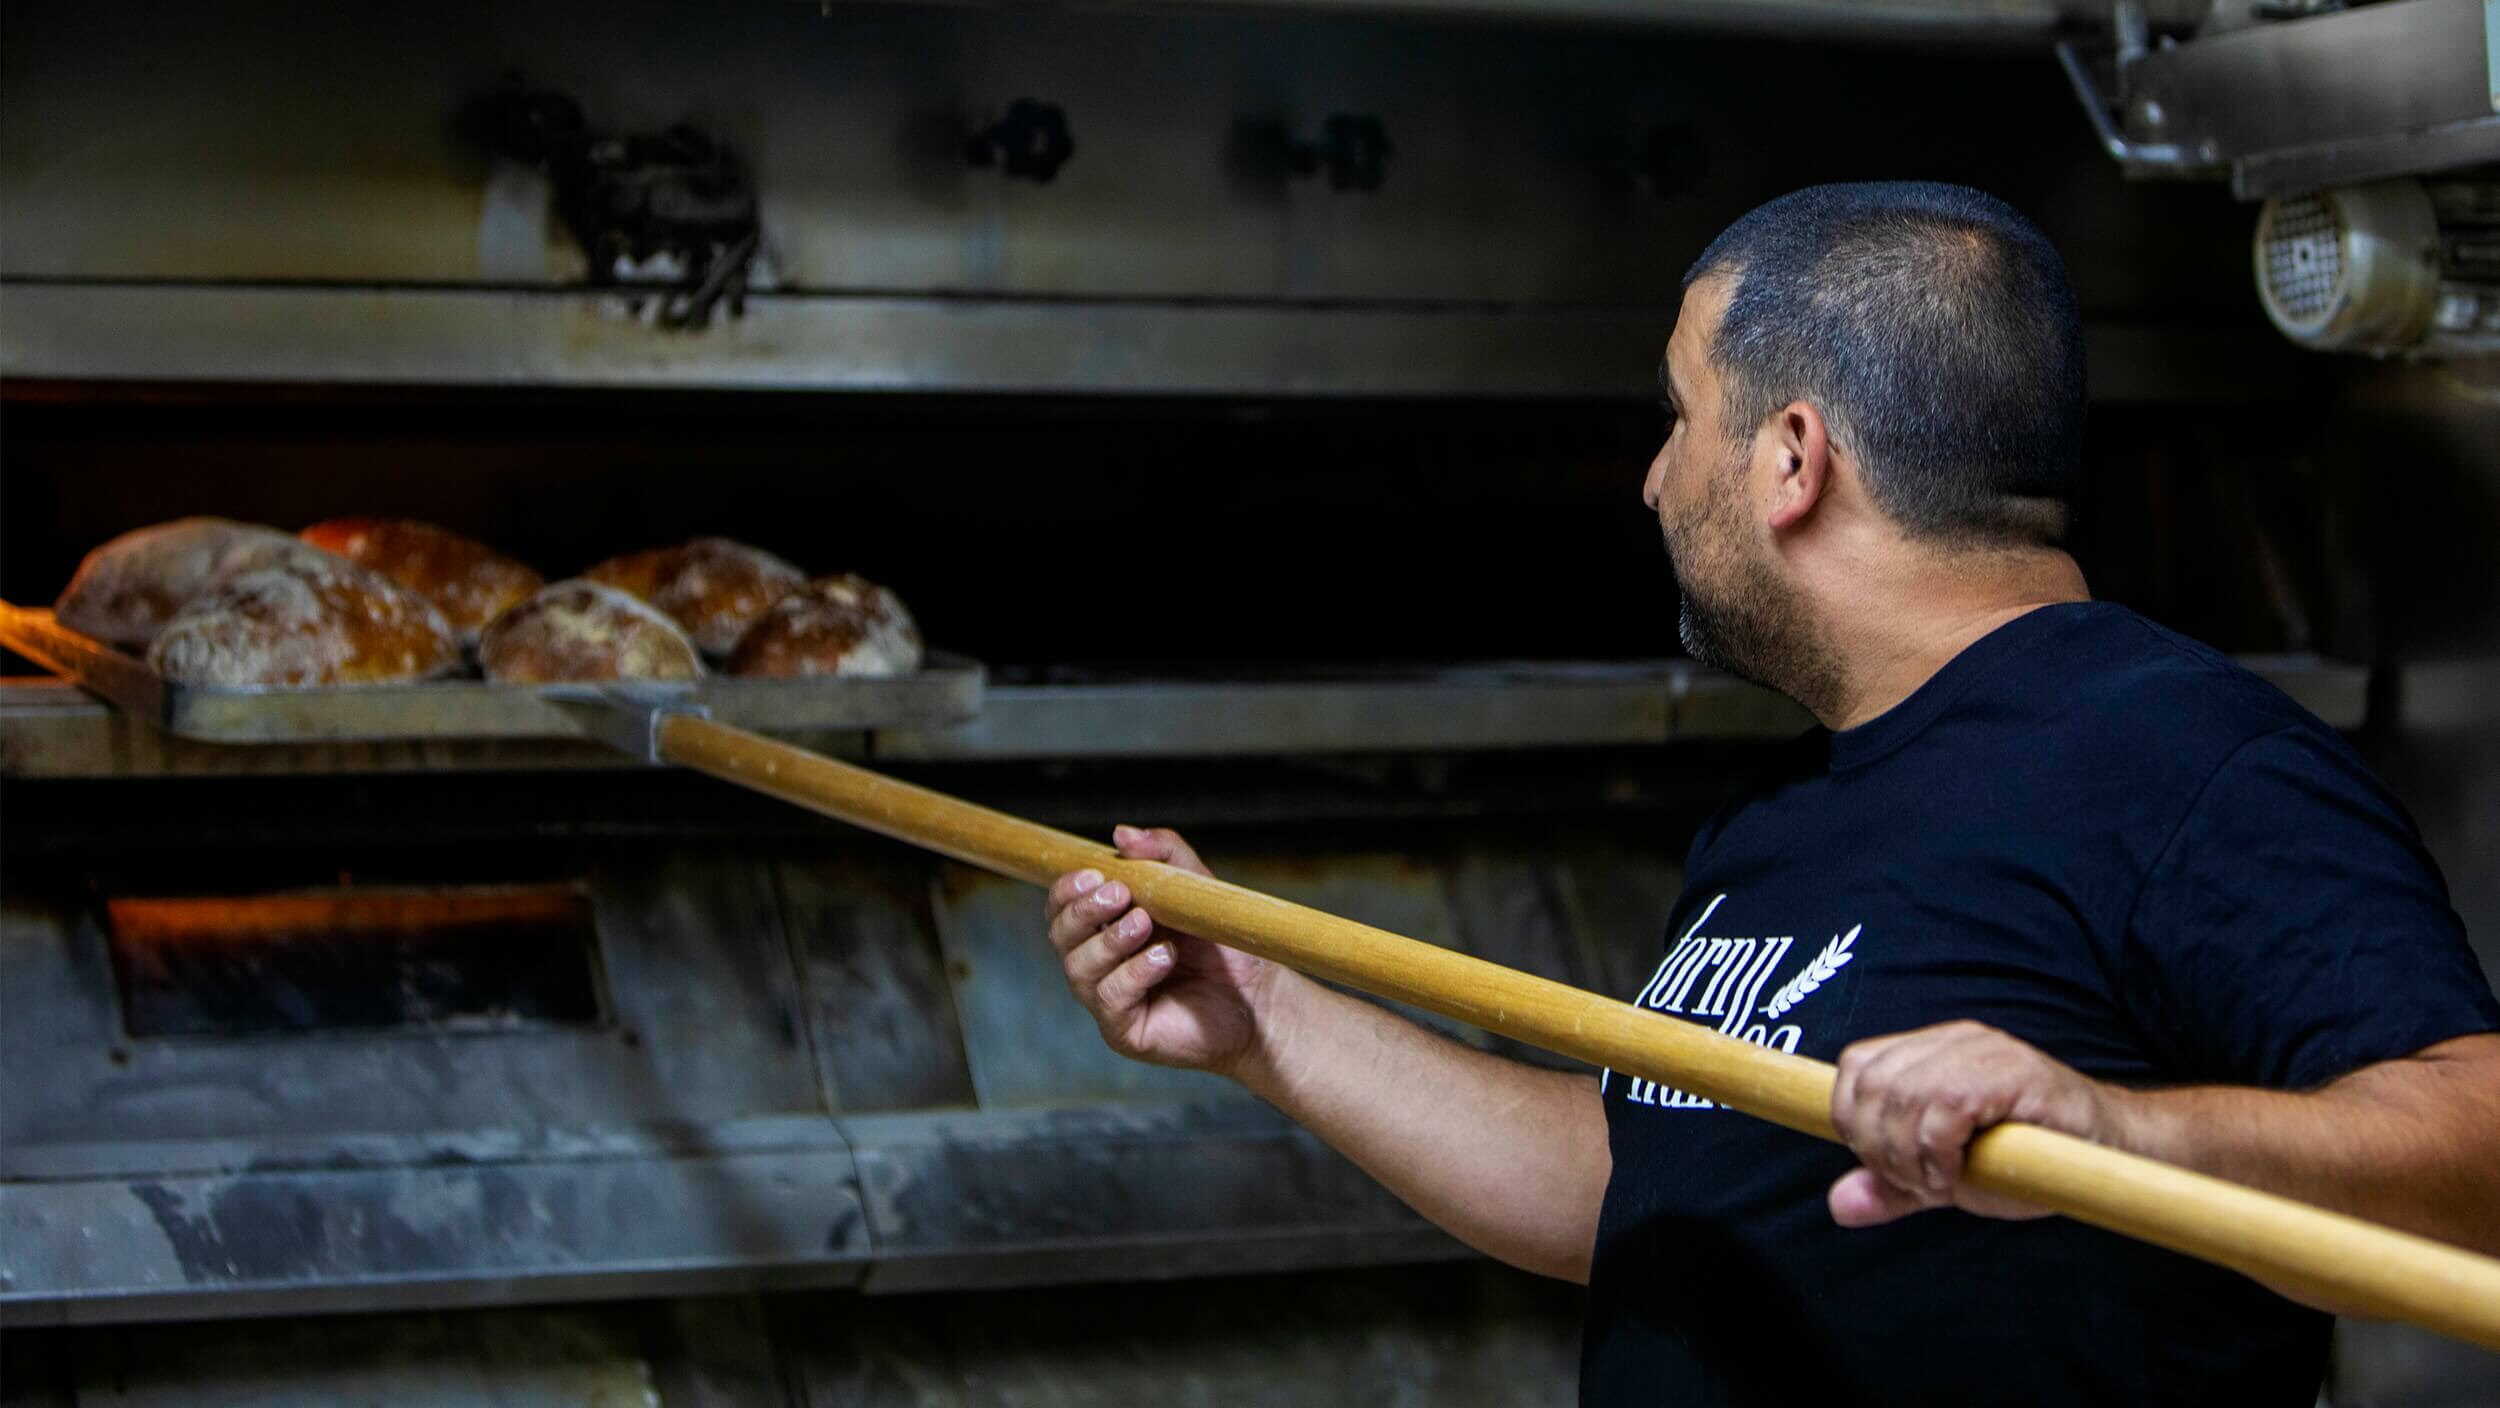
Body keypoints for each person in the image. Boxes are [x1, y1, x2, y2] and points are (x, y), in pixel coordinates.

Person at [1040, 182, 2500, 1405]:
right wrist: (1267, 1011)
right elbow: (1639, 1181)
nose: (1657, 481)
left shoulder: (2187, 762)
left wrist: (2116, 1137)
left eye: (1680, 417)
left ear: (1793, 457)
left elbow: (2479, 1142)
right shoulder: (1789, 813)